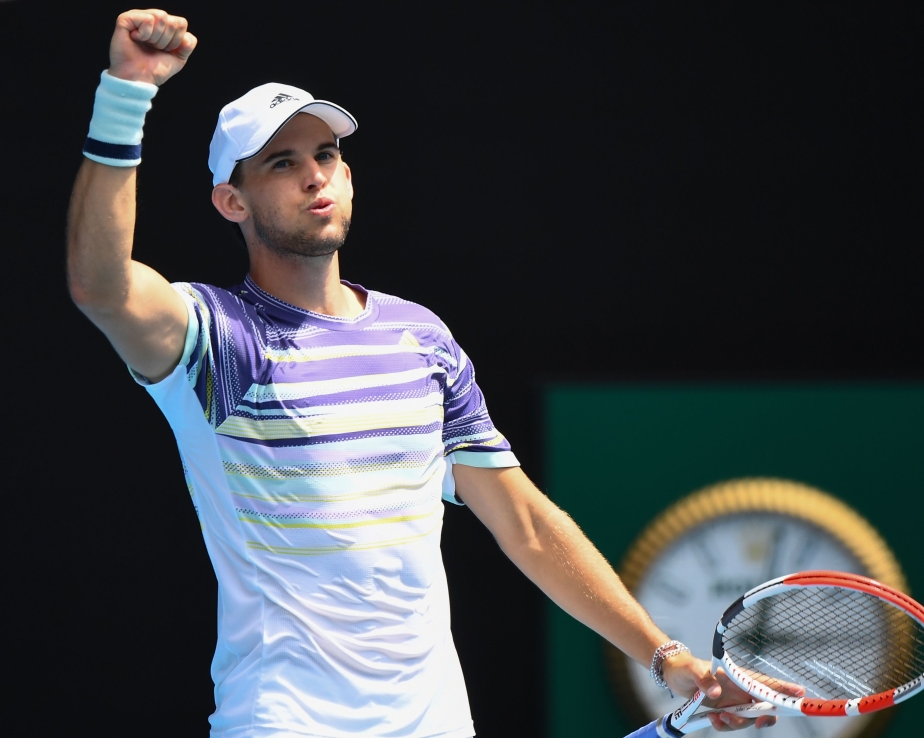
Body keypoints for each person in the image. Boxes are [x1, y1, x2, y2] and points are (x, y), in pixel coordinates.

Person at [67, 9, 778, 738]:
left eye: (326, 154)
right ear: (231, 201)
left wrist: (668, 659)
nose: (316, 174)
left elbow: (527, 525)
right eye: (282, 163)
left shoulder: (420, 338)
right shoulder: (219, 340)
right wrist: (128, 91)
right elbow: (101, 286)